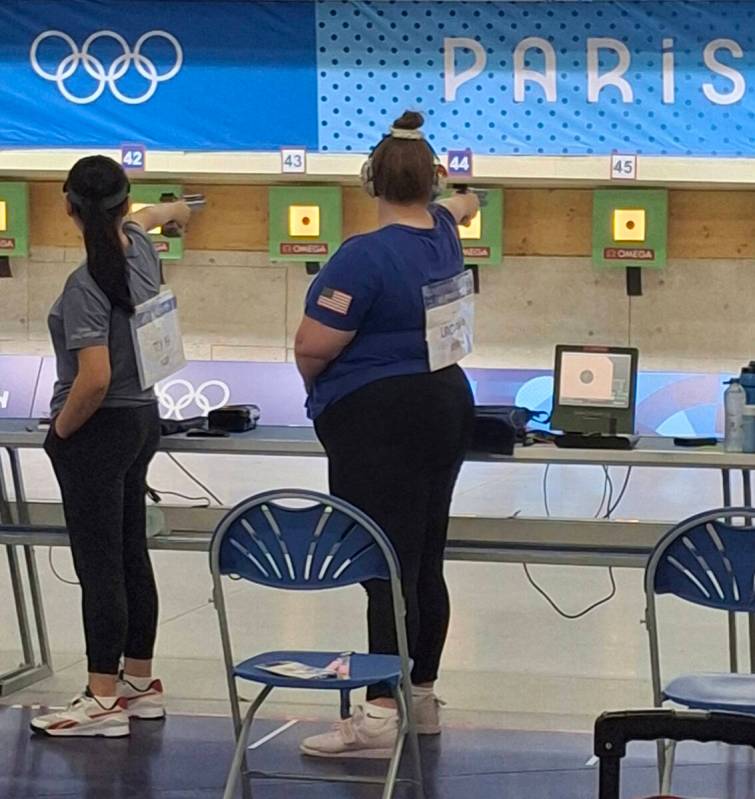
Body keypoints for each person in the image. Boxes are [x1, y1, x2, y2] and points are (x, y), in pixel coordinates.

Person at [294, 111, 479, 758]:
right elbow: (460, 202)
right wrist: (456, 187)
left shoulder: (362, 256)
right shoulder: (444, 234)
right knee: (425, 555)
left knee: (383, 564)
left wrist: (319, 395)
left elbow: (314, 345)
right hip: (445, 403)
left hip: (379, 415)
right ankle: (419, 696)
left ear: (369, 180)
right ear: (430, 182)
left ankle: (376, 714)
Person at [31, 156, 192, 738]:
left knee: (99, 567)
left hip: (99, 428)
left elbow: (92, 378)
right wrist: (180, 211)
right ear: (123, 207)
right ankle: (137, 683)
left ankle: (100, 700)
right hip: (143, 419)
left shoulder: (85, 284)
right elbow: (152, 217)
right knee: (129, 555)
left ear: (68, 205)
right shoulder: (139, 248)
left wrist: (62, 431)